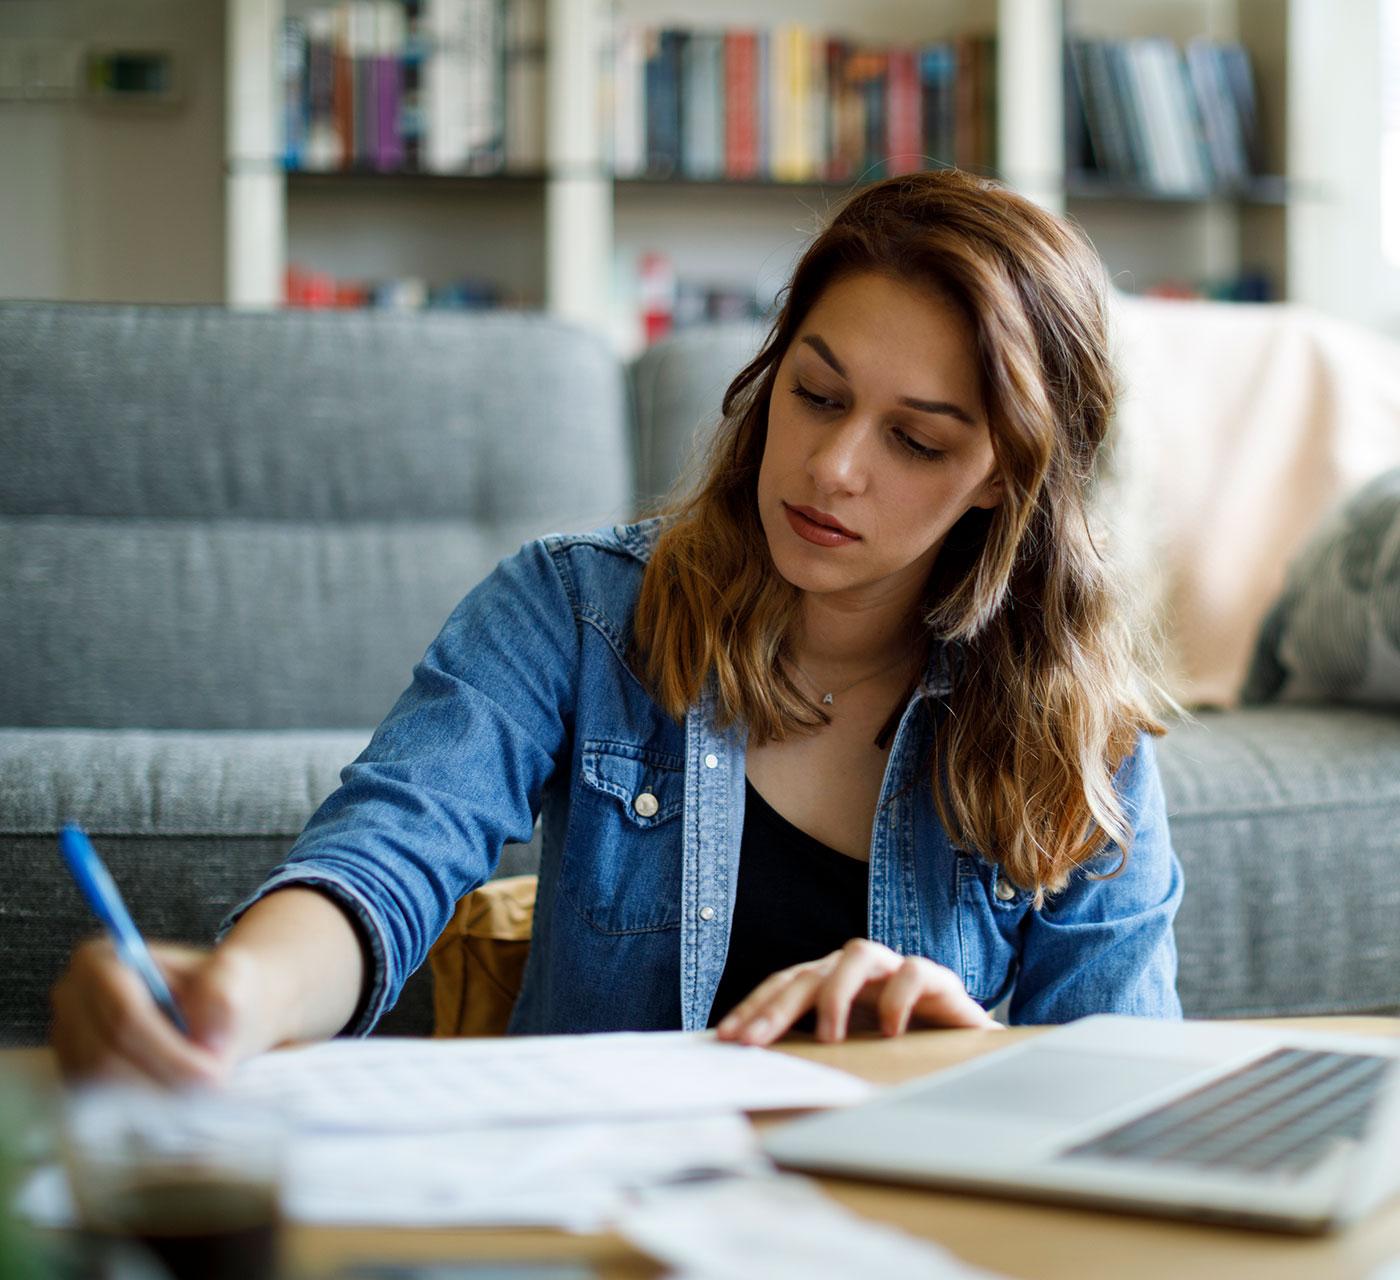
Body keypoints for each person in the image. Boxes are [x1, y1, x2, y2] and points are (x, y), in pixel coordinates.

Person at [51, 169, 1183, 1087]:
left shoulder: (1078, 740)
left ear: (1003, 477)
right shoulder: (569, 610)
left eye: (917, 440)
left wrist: (966, 1059)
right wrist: (237, 995)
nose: (832, 468)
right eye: (817, 394)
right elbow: (385, 853)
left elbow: (1127, 1106)